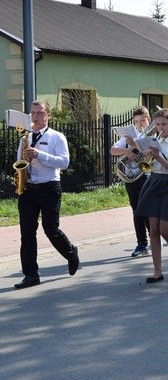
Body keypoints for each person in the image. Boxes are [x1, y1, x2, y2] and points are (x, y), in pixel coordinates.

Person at [14, 100, 80, 289]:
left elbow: (64, 162)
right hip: (28, 189)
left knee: (50, 229)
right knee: (27, 233)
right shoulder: (24, 137)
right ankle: (31, 275)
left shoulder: (56, 137)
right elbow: (19, 161)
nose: (36, 116)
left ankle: (70, 253)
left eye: (40, 113)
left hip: (49, 187)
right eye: (33, 113)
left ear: (48, 115)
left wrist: (39, 155)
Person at [135, 109, 168, 284]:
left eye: (164, 124)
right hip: (154, 182)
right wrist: (147, 154)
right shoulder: (154, 141)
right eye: (157, 124)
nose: (160, 127)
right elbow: (149, 163)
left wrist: (158, 155)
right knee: (153, 230)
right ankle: (157, 271)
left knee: (164, 229)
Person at [110, 106, 152, 257]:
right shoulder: (128, 136)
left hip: (145, 175)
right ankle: (141, 244)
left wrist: (134, 144)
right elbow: (113, 150)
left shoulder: (153, 135)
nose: (139, 124)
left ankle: (151, 240)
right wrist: (126, 151)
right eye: (136, 121)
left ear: (149, 120)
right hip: (130, 177)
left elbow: (149, 152)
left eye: (142, 120)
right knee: (136, 211)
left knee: (145, 209)